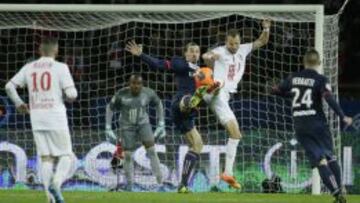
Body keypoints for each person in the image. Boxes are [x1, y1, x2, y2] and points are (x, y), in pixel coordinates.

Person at [125, 40, 218, 193]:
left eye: (197, 51)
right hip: (179, 103)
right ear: (186, 53)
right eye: (191, 51)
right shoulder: (181, 63)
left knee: (197, 146)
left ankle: (183, 184)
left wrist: (213, 88)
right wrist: (142, 55)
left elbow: (210, 91)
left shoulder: (203, 71)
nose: (194, 53)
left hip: (186, 115)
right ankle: (189, 101)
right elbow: (159, 64)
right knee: (187, 101)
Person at [272, 49, 352, 203]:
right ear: (319, 63)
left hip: (301, 125)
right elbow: (328, 97)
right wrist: (342, 116)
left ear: (304, 62)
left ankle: (337, 195)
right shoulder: (320, 79)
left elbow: (278, 91)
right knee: (330, 156)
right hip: (318, 124)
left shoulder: (293, 77)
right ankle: (340, 188)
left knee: (320, 161)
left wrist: (277, 90)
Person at [5, 37, 77, 203]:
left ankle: (49, 198)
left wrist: (19, 103)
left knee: (46, 158)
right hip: (56, 115)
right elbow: (72, 94)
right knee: (67, 155)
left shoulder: (29, 67)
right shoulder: (61, 67)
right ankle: (56, 185)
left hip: (36, 116)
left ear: (39, 51)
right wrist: (68, 96)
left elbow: (9, 86)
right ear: (56, 50)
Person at [201, 19, 271, 189]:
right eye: (231, 44)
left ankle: (228, 173)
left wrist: (266, 28)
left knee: (236, 134)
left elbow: (262, 41)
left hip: (224, 96)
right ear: (226, 42)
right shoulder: (220, 51)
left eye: (236, 43)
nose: (234, 46)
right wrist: (210, 57)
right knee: (216, 88)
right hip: (219, 93)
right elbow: (206, 56)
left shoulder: (243, 49)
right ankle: (209, 89)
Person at [105, 74, 165, 191]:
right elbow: (110, 107)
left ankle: (160, 182)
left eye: (138, 84)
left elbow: (159, 104)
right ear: (129, 84)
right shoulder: (121, 94)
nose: (136, 86)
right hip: (127, 126)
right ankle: (130, 186)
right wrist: (108, 127)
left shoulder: (148, 93)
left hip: (143, 124)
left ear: (142, 85)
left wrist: (161, 123)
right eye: (133, 83)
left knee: (152, 151)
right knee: (127, 155)